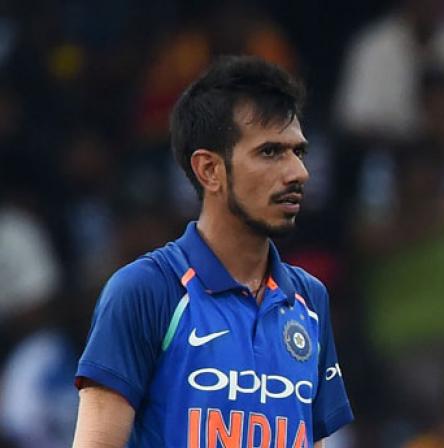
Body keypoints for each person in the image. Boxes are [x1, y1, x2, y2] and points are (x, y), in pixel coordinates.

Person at [72, 56, 354, 447]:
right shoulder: (145, 290)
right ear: (209, 170)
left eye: (298, 152)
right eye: (270, 152)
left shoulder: (310, 300)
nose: (298, 173)